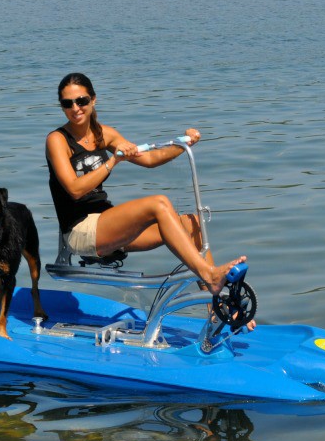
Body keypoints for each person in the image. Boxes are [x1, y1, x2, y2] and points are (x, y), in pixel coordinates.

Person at [45, 72, 249, 299]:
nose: (75, 108)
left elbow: (150, 159)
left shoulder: (106, 134)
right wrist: (113, 161)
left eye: (81, 101)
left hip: (108, 224)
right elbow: (74, 189)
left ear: (93, 100)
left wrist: (183, 143)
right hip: (79, 230)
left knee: (191, 224)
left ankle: (216, 308)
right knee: (158, 203)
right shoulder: (58, 140)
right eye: (67, 103)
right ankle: (210, 276)